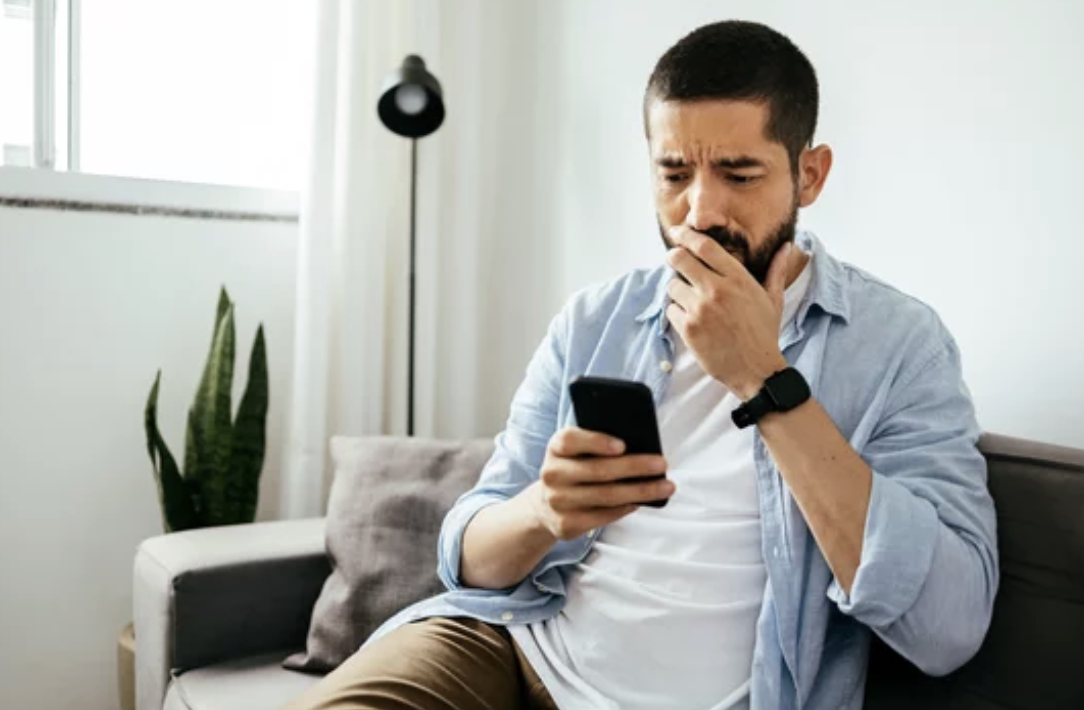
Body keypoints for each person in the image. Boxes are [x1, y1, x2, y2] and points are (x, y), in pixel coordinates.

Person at [285, 19, 998, 710]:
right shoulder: (595, 320)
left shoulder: (900, 344)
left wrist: (763, 379)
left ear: (809, 175)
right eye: (674, 173)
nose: (700, 209)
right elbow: (466, 553)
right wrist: (544, 511)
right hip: (511, 644)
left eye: (739, 173)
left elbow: (949, 629)